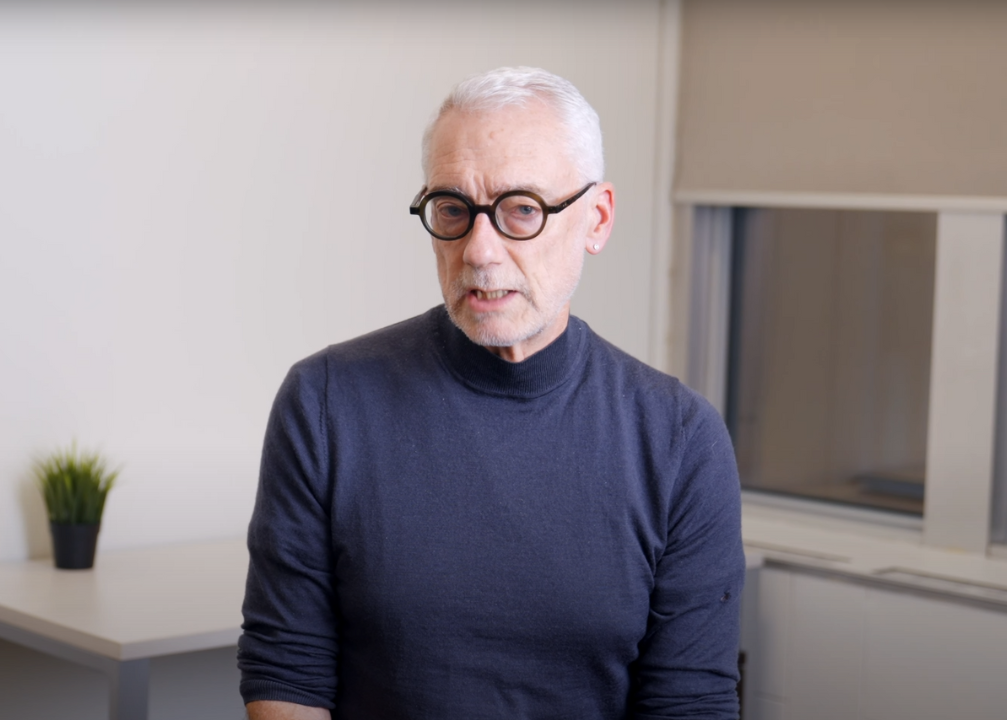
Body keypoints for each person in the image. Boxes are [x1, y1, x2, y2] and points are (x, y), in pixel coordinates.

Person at [238, 66, 744, 720]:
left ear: (597, 218)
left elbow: (690, 704)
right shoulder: (326, 403)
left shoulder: (679, 439)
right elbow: (287, 674)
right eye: (453, 209)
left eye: (522, 210)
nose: (479, 249)